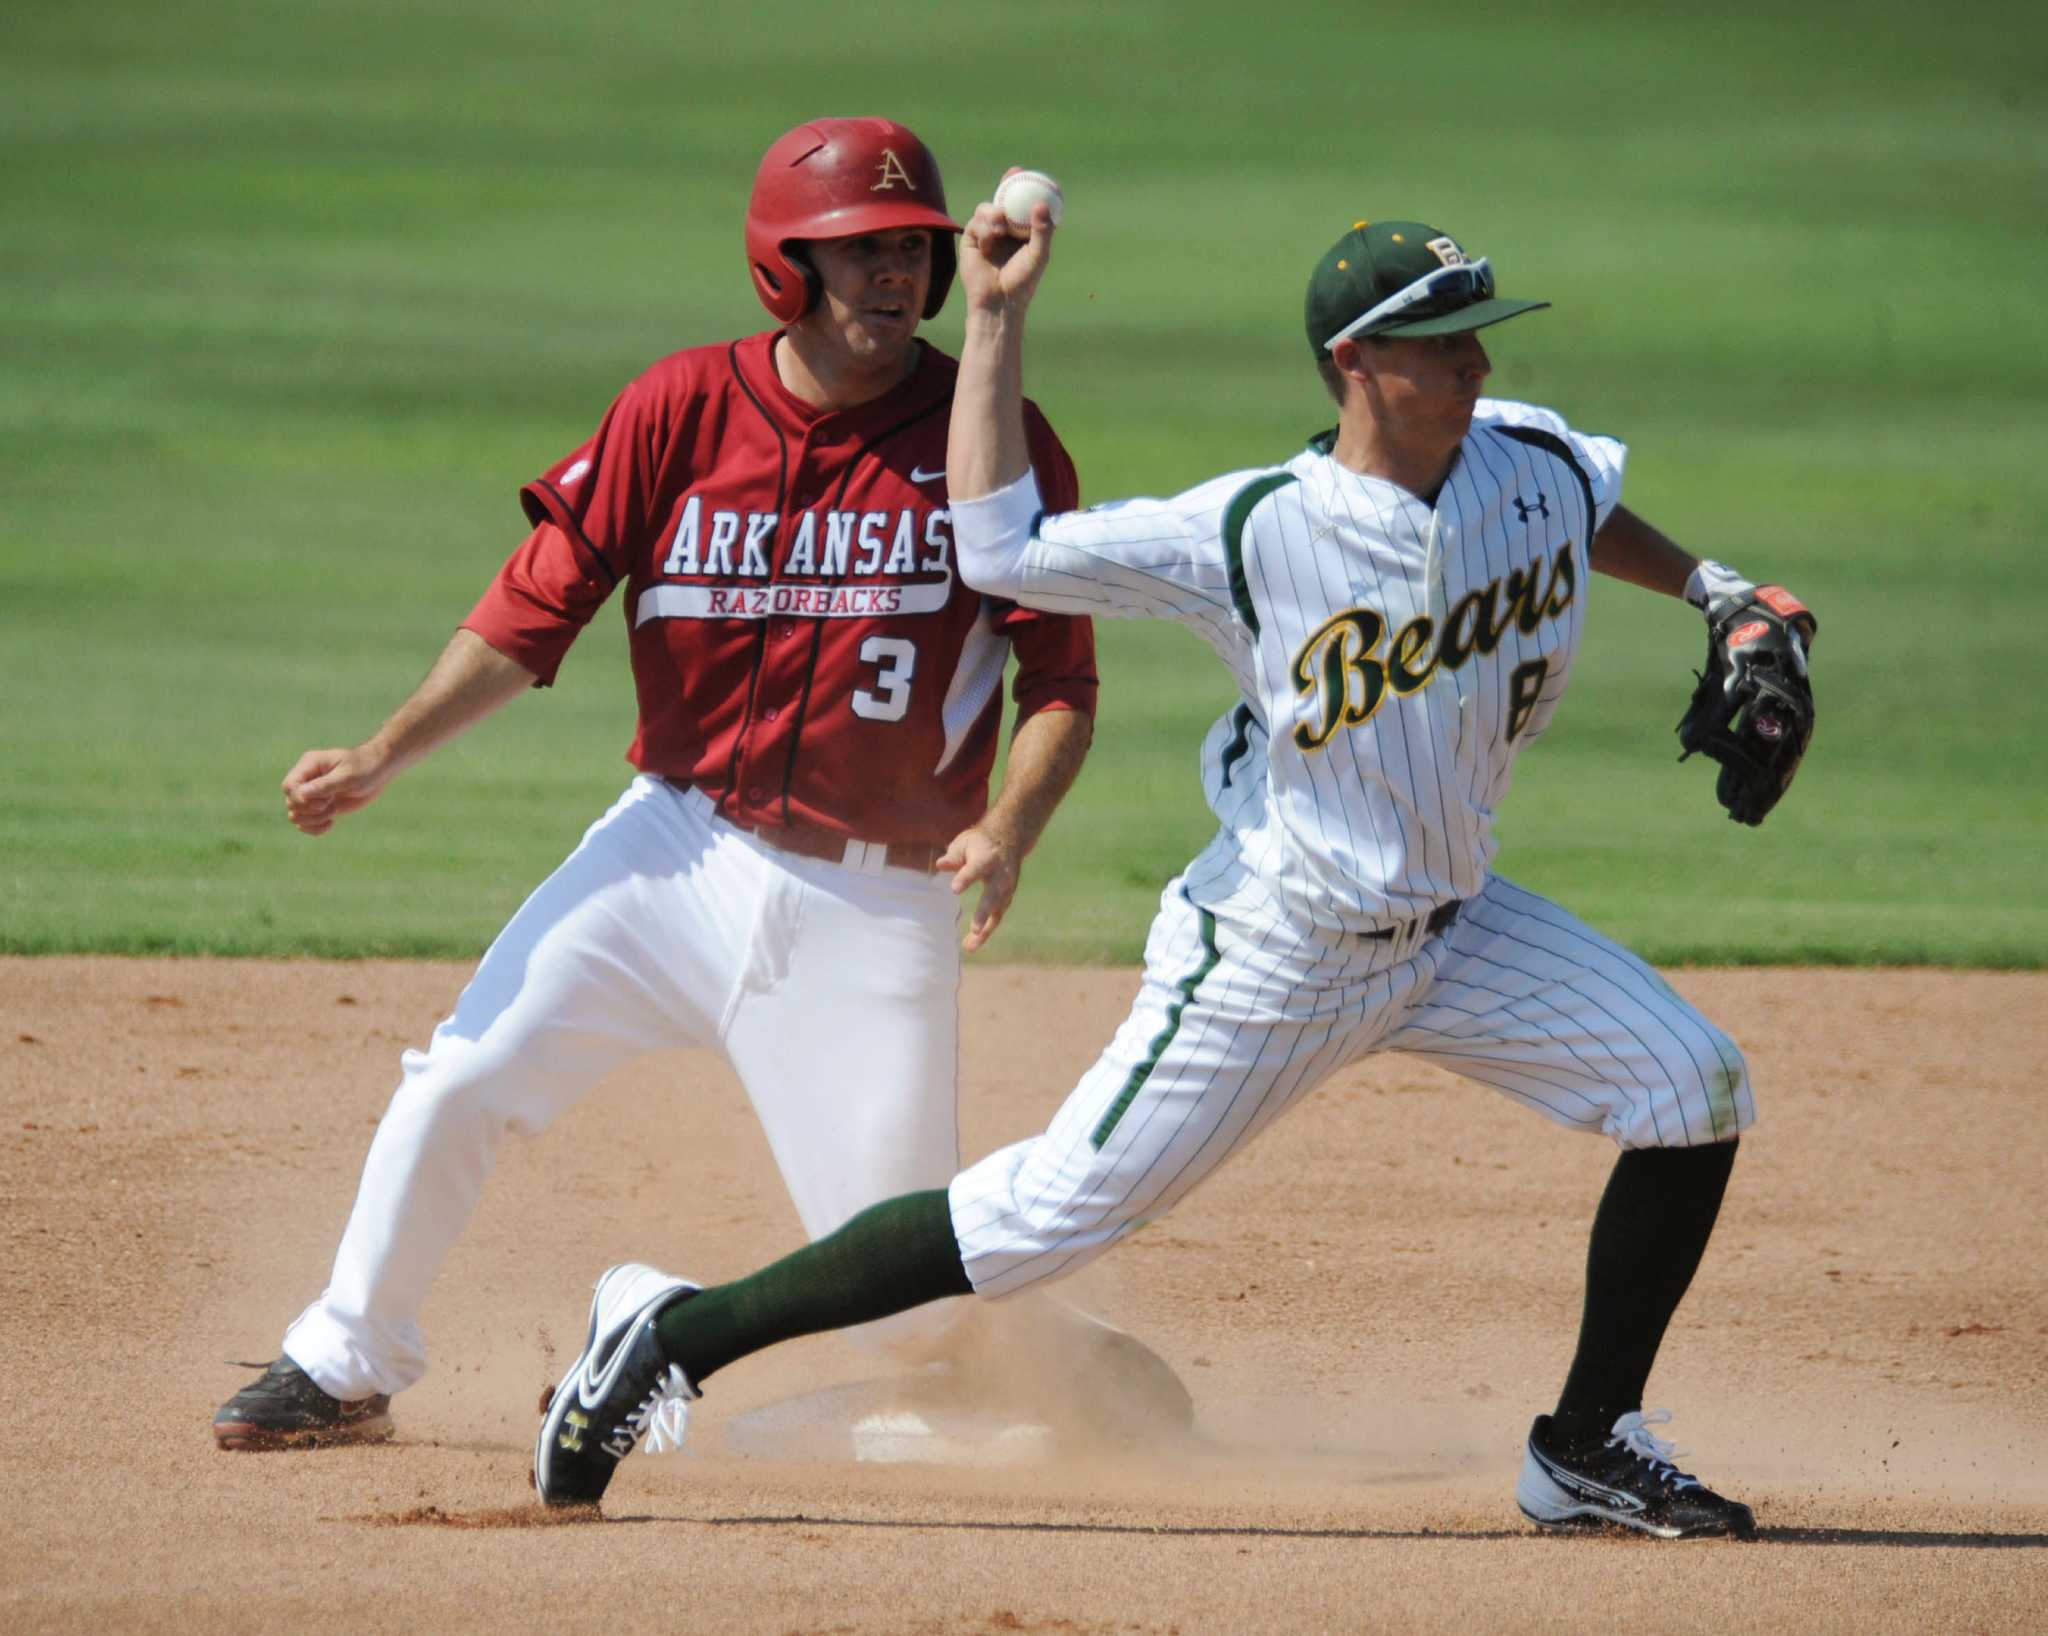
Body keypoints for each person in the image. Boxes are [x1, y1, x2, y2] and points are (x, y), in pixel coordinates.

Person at [530, 198, 1819, 1541]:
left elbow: (1589, 508)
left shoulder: (1530, 459)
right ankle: (674, 1335)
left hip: (1457, 931)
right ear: (1355, 366)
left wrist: (1727, 595)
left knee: (1690, 1082)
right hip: (1282, 949)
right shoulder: (1254, 530)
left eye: (1479, 339)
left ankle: (1587, 1447)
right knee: (1043, 1216)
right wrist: (991, 313)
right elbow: (1002, 551)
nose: (1476, 367)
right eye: (1440, 347)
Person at [213, 118, 1192, 1451]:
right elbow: (533, 610)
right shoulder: (679, 408)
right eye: (856, 256)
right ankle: (342, 1360)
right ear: (781, 267)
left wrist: (1010, 826)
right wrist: (387, 749)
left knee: (903, 1323)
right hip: (675, 851)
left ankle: (971, 1355)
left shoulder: (988, 440)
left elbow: (1062, 684)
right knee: (465, 1071)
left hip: (874, 905)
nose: (890, 279)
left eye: (910, 252)